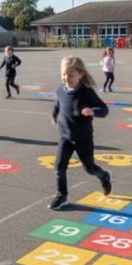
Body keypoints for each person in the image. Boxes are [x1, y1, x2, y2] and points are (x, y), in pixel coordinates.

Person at [49, 55, 112, 210]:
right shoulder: (60, 90)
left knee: (89, 169)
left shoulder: (86, 92)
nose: (66, 78)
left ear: (80, 75)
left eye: (71, 75)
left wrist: (92, 111)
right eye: (64, 74)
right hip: (65, 137)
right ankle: (61, 195)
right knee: (59, 166)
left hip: (83, 138)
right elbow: (58, 104)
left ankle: (104, 176)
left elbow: (104, 109)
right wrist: (54, 115)